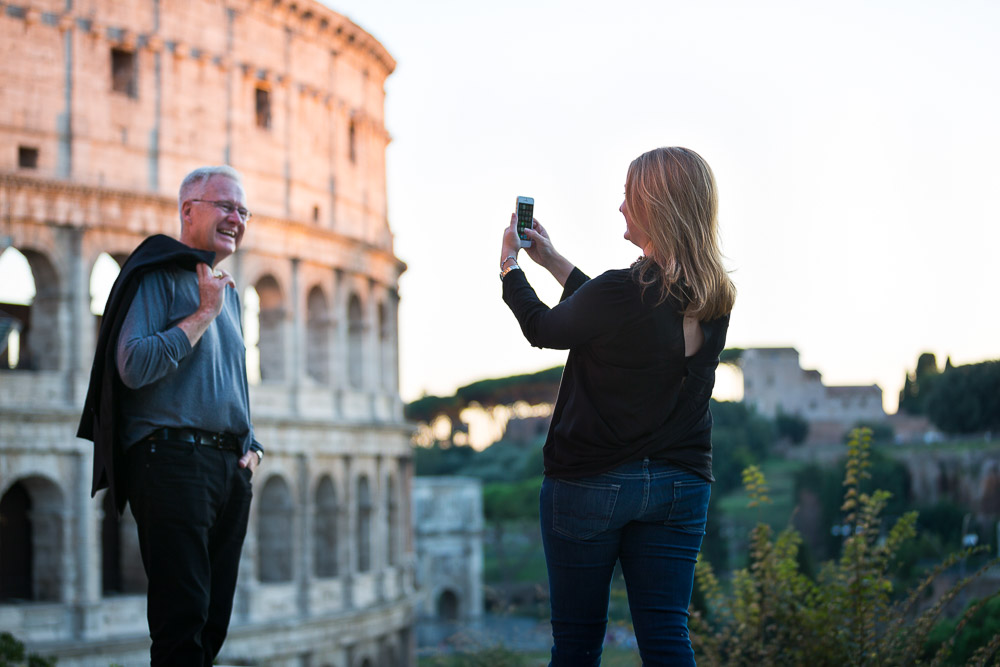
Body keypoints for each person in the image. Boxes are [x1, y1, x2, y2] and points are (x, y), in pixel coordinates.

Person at [499, 147, 735, 666]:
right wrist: (554, 260)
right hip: (681, 484)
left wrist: (510, 267)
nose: (621, 207)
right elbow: (618, 315)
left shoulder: (621, 292)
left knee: (579, 644)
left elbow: (545, 329)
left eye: (629, 197)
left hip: (591, 483)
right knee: (668, 635)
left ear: (654, 208)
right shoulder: (715, 296)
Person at [78, 165, 263, 666]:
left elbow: (231, 382)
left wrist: (253, 448)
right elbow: (133, 365)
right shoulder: (156, 273)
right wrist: (201, 313)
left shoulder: (226, 291)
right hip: (172, 462)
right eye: (225, 206)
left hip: (229, 471)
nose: (236, 218)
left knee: (212, 624)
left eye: (243, 210)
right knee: (181, 622)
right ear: (188, 210)